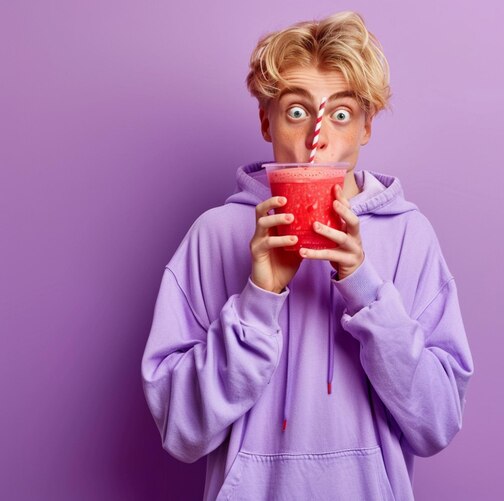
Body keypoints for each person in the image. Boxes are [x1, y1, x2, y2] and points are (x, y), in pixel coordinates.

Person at [141, 11, 474, 501]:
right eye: (296, 111)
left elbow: (436, 423)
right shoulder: (213, 236)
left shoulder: (410, 237)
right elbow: (181, 430)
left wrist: (363, 287)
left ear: (366, 128)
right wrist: (258, 299)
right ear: (265, 119)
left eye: (341, 114)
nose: (317, 139)